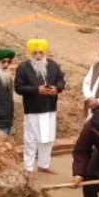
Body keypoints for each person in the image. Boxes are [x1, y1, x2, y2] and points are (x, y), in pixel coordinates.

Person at [13, 39, 66, 175]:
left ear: (44, 52)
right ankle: (28, 168)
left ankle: (44, 164)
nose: (38, 55)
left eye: (40, 52)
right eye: (35, 53)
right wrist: (37, 90)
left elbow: (61, 80)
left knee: (48, 138)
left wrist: (56, 88)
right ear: (30, 53)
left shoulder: (53, 65)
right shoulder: (23, 67)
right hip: (33, 110)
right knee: (31, 140)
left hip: (50, 109)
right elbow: (18, 87)